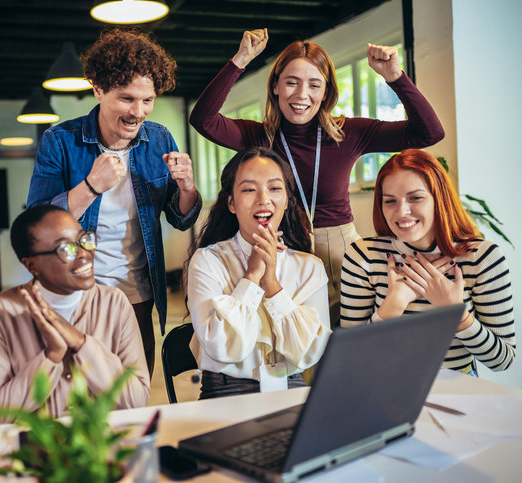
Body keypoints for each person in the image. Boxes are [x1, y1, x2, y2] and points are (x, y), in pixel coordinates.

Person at [189, 28, 445, 328]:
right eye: (291, 83)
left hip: (342, 250)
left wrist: (395, 76)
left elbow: (429, 132)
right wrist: (241, 59)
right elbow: (203, 119)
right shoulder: (258, 137)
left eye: (314, 85)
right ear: (275, 86)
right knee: (298, 342)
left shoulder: (348, 133)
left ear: (325, 92)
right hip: (284, 249)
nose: (301, 95)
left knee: (352, 341)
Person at [26, 28, 202, 376]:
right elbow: (37, 227)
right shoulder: (60, 141)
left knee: (133, 395)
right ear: (98, 89)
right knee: (78, 396)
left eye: (147, 100)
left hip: (137, 296)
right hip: (77, 295)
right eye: (127, 98)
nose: (139, 111)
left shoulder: (159, 138)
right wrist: (91, 186)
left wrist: (186, 188)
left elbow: (179, 219)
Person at [340, 149, 515, 374]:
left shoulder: (482, 258)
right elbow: (349, 356)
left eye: (416, 198)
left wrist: (456, 313)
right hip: (382, 386)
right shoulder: (362, 256)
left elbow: (502, 360)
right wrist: (393, 305)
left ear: (439, 198)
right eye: (390, 201)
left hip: (455, 389)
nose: (402, 212)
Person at [0, 205, 150, 419]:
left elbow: (138, 401)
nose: (84, 254)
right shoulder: (1, 312)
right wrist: (51, 357)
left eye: (84, 240)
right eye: (66, 249)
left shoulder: (114, 303)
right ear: (31, 265)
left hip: (101, 447)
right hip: (33, 449)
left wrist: (80, 343)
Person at [185, 147, 331, 399]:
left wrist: (272, 283)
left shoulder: (310, 266)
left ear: (286, 200)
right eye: (249, 189)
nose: (263, 199)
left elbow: (312, 352)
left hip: (292, 390)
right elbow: (219, 346)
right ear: (231, 203)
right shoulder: (208, 261)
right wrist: (252, 277)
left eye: (275, 188)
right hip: (225, 393)